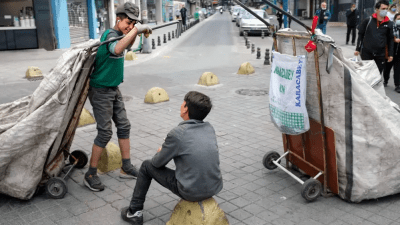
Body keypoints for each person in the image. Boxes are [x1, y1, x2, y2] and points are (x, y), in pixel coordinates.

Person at [120, 91, 223, 225]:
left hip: (190, 191)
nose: (181, 105)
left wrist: (162, 150)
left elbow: (157, 163)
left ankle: (134, 211)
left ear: (186, 109)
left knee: (146, 165)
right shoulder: (209, 128)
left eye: (183, 103)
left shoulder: (178, 133)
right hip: (214, 187)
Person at [84, 2, 152, 192]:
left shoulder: (122, 35)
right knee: (105, 133)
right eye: (127, 23)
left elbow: (127, 45)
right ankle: (90, 173)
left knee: (124, 126)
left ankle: (126, 166)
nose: (129, 27)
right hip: (100, 91)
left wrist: (137, 33)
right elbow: (115, 49)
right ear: (118, 19)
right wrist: (136, 30)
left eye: (132, 24)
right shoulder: (110, 35)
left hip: (113, 89)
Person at [355, 0, 394, 74]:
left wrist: (390, 54)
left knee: (377, 75)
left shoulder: (389, 24)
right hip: (367, 53)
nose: (385, 11)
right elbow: (361, 35)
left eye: (386, 9)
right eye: (383, 9)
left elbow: (390, 40)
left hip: (380, 54)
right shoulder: (368, 21)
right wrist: (358, 49)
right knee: (366, 74)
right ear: (377, 9)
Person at [384, 13, 400, 92]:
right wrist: (394, 40)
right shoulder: (391, 27)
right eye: (398, 19)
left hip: (399, 52)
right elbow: (388, 38)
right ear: (395, 19)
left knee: (397, 69)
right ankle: (385, 80)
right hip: (391, 51)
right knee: (387, 68)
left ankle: (397, 85)